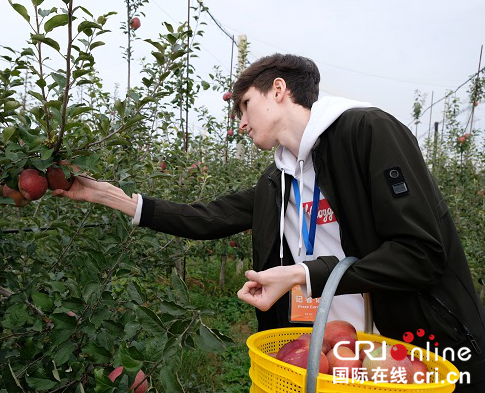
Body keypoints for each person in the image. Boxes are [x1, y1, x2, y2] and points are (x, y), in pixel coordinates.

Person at [54, 53, 485, 390]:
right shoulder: (280, 178)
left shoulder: (367, 131)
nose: (240, 122)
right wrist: (107, 196)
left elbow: (422, 254)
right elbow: (208, 218)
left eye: (245, 105)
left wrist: (301, 274)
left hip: (393, 346)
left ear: (278, 90)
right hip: (321, 353)